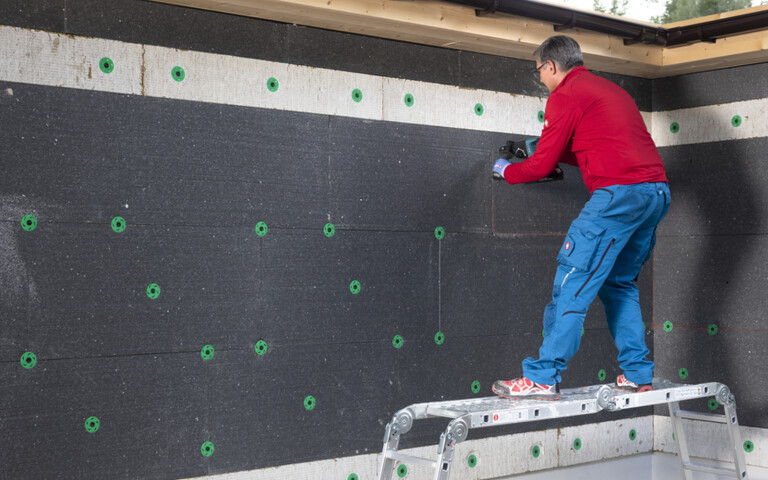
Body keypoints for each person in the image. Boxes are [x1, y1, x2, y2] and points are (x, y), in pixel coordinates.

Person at [491, 35, 670, 400]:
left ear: (552, 66)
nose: (540, 78)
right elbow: (591, 146)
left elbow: (541, 165)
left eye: (539, 70)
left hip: (618, 196)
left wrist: (507, 170)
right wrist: (544, 150)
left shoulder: (565, 95)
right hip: (655, 193)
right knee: (618, 283)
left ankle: (543, 376)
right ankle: (637, 373)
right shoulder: (611, 91)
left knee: (572, 281)